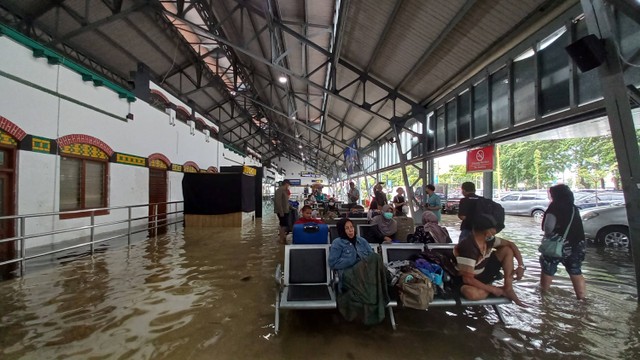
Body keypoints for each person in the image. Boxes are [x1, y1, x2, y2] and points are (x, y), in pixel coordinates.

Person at [454, 214, 526, 307]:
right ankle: (498, 290)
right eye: (493, 228)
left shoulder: (489, 240)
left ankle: (508, 288)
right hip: (467, 279)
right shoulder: (468, 247)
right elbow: (467, 279)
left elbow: (511, 244)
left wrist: (521, 266)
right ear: (487, 231)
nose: (495, 231)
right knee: (472, 293)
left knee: (507, 250)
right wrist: (492, 290)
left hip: (483, 270)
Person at [328, 218, 389, 325]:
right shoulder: (337, 243)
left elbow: (371, 258)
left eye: (351, 227)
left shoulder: (362, 241)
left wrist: (364, 262)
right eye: (346, 228)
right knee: (375, 258)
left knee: (375, 258)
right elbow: (333, 263)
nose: (350, 230)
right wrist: (352, 259)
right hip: (349, 274)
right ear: (342, 230)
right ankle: (388, 280)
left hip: (364, 273)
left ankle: (385, 279)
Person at [540, 184, 586, 300]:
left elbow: (548, 227)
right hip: (577, 246)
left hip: (556, 245)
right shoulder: (573, 207)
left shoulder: (554, 207)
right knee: (575, 271)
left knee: (548, 270)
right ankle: (582, 299)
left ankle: (544, 299)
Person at [274, 180, 291, 244]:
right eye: (288, 185)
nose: (289, 186)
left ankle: (283, 237)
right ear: (286, 184)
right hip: (282, 211)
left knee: (283, 225)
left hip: (285, 210)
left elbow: (286, 202)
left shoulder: (285, 191)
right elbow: (278, 202)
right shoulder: (280, 190)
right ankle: (281, 239)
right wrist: (281, 212)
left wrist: (290, 207)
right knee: (283, 225)